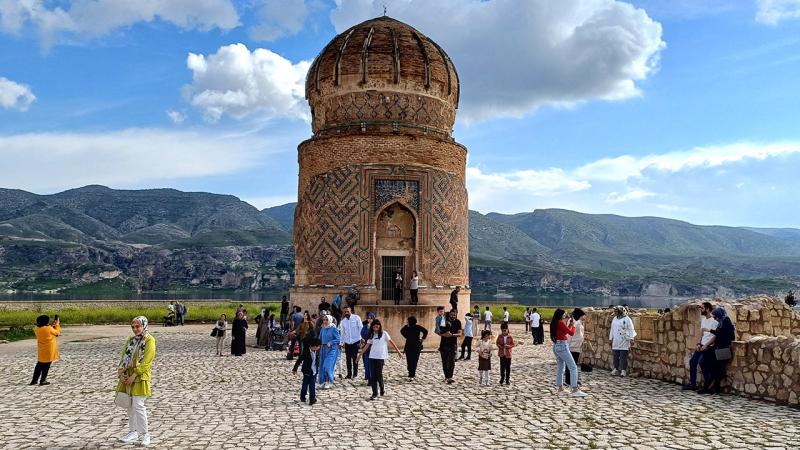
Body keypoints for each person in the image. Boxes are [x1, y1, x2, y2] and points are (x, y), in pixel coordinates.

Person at [117, 316, 157, 446]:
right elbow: (124, 356)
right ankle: (132, 432)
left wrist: (135, 375)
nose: (135, 329)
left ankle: (145, 434)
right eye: (133, 327)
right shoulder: (131, 340)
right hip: (128, 376)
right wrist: (121, 372)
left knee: (139, 406)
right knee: (130, 406)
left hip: (140, 377)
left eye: (138, 326)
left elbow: (147, 362)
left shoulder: (150, 340)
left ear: (144, 326)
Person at [359, 319, 402, 400]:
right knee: (373, 376)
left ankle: (382, 387)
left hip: (380, 357)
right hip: (372, 357)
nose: (376, 327)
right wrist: (359, 355)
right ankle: (374, 393)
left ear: (379, 326)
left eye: (377, 326)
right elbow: (367, 346)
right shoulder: (371, 335)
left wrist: (398, 352)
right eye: (374, 326)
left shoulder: (384, 333)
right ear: (372, 327)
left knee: (379, 374)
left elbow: (391, 342)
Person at [698, 307, 736, 395]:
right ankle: (713, 387)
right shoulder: (722, 321)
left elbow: (722, 334)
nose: (715, 319)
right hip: (719, 347)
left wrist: (710, 330)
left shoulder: (725, 321)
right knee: (714, 366)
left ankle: (709, 387)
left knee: (717, 367)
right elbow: (720, 333)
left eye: (715, 317)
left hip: (723, 348)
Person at [550, 309, 587, 397]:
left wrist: (570, 324)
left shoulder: (555, 322)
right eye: (564, 314)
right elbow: (571, 333)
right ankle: (574, 389)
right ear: (561, 315)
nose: (565, 316)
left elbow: (566, 331)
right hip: (562, 346)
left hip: (556, 345)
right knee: (573, 367)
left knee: (560, 367)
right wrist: (573, 325)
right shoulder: (561, 322)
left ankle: (560, 388)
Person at [683, 302, 717, 390]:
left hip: (708, 346)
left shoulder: (714, 322)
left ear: (708, 309)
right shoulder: (703, 320)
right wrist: (698, 344)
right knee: (692, 362)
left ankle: (707, 385)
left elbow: (714, 337)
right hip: (701, 345)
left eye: (702, 308)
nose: (701, 310)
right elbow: (701, 333)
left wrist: (705, 346)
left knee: (702, 362)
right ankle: (693, 384)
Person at [31, 314, 60, 386]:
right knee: (46, 365)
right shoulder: (49, 328)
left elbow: (47, 331)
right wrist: (57, 325)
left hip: (41, 349)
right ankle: (43, 380)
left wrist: (51, 326)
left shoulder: (36, 328)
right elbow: (57, 333)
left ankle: (34, 380)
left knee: (39, 365)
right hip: (49, 349)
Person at [609, 306, 636, 376]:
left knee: (623, 356)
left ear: (621, 311)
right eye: (614, 311)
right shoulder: (614, 319)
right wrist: (610, 338)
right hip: (616, 340)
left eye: (616, 311)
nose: (615, 313)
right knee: (615, 355)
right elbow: (612, 329)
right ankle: (616, 369)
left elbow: (631, 329)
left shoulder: (627, 319)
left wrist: (632, 338)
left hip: (624, 339)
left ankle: (623, 370)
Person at [294, 337, 321, 406]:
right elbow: (299, 360)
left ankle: (312, 399)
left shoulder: (317, 352)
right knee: (305, 385)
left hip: (314, 371)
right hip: (306, 370)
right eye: (318, 346)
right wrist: (295, 368)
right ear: (314, 346)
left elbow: (317, 361)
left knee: (312, 385)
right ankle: (302, 396)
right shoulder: (306, 351)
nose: (319, 348)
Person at [437, 309, 462, 384]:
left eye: (454, 315)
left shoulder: (458, 322)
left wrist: (452, 335)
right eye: (452, 315)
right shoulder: (444, 321)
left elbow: (460, 334)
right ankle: (446, 377)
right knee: (445, 362)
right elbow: (438, 332)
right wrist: (444, 335)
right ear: (449, 314)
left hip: (452, 344)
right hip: (443, 344)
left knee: (451, 362)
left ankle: (450, 377)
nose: (453, 316)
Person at [338, 306, 363, 379]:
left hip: (356, 341)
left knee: (355, 358)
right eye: (345, 312)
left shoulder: (356, 318)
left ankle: (355, 373)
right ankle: (349, 374)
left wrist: (361, 339)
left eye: (347, 311)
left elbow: (360, 328)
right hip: (347, 343)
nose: (346, 313)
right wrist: (341, 343)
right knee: (348, 359)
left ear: (350, 311)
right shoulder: (343, 322)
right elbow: (342, 333)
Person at [400, 316, 428, 380]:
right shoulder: (417, 327)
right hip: (415, 345)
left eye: (407, 321)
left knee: (410, 360)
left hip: (410, 345)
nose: (407, 322)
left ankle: (411, 374)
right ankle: (412, 374)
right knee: (414, 360)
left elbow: (401, 331)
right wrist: (422, 339)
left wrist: (406, 336)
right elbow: (425, 331)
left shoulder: (408, 327)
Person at [318, 314, 341, 389]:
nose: (325, 321)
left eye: (326, 319)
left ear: (330, 320)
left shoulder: (333, 329)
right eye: (324, 319)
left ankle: (328, 381)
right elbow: (319, 339)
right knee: (322, 366)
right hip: (323, 349)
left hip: (332, 350)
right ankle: (324, 381)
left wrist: (330, 343)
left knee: (327, 366)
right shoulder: (322, 329)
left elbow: (338, 339)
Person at [565, 308, 586, 387]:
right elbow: (570, 335)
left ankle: (571, 379)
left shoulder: (578, 323)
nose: (584, 317)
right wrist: (568, 345)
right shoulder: (575, 323)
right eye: (583, 315)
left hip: (576, 346)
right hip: (572, 346)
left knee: (572, 364)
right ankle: (570, 380)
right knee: (572, 365)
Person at [360, 312, 376, 383]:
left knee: (373, 364)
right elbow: (362, 334)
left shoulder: (376, 326)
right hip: (366, 347)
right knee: (367, 363)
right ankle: (368, 378)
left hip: (374, 347)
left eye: (370, 318)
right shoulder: (365, 326)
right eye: (368, 318)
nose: (369, 320)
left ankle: (373, 378)